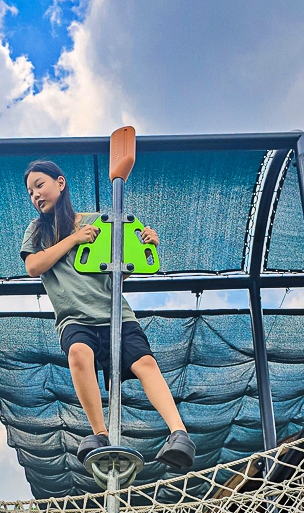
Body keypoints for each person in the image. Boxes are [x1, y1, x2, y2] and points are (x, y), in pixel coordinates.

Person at [20, 160, 195, 469]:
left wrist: (146, 247)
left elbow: (115, 274)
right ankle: (100, 434)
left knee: (145, 362)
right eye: (30, 192)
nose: (35, 195)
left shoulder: (97, 223)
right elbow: (34, 266)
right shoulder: (39, 230)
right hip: (76, 318)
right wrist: (73, 239)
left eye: (39, 185)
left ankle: (179, 434)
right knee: (78, 352)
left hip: (114, 314)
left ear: (60, 183)